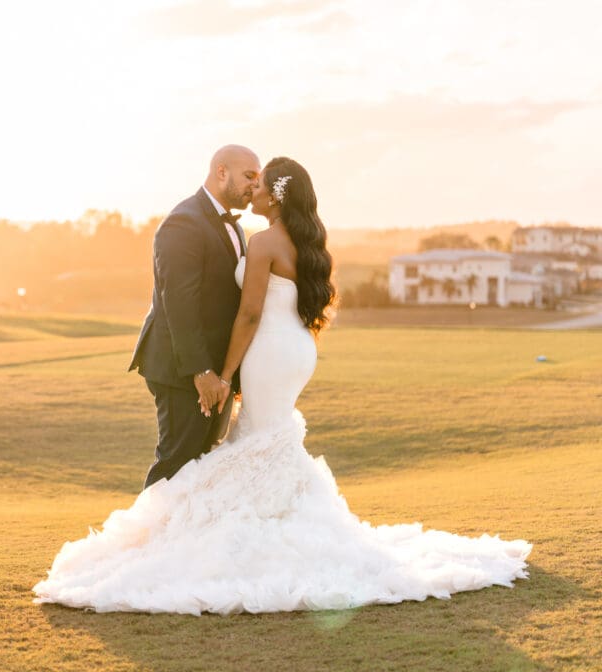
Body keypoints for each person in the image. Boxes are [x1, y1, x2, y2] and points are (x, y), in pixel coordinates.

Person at [32, 156, 532, 615]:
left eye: (259, 183)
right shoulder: (305, 240)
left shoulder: (265, 241)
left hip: (268, 349)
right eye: (247, 180)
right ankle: (268, 514)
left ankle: (182, 536)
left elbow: (250, 313)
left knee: (256, 439)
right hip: (293, 349)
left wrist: (224, 375)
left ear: (275, 195)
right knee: (265, 439)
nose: (253, 191)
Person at [128, 144, 261, 489]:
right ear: (221, 172)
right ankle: (144, 542)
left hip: (215, 371)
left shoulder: (236, 228)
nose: (255, 185)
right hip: (179, 368)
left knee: (202, 467)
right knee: (176, 464)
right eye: (249, 176)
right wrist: (201, 372)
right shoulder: (183, 222)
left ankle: (184, 543)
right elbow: (179, 304)